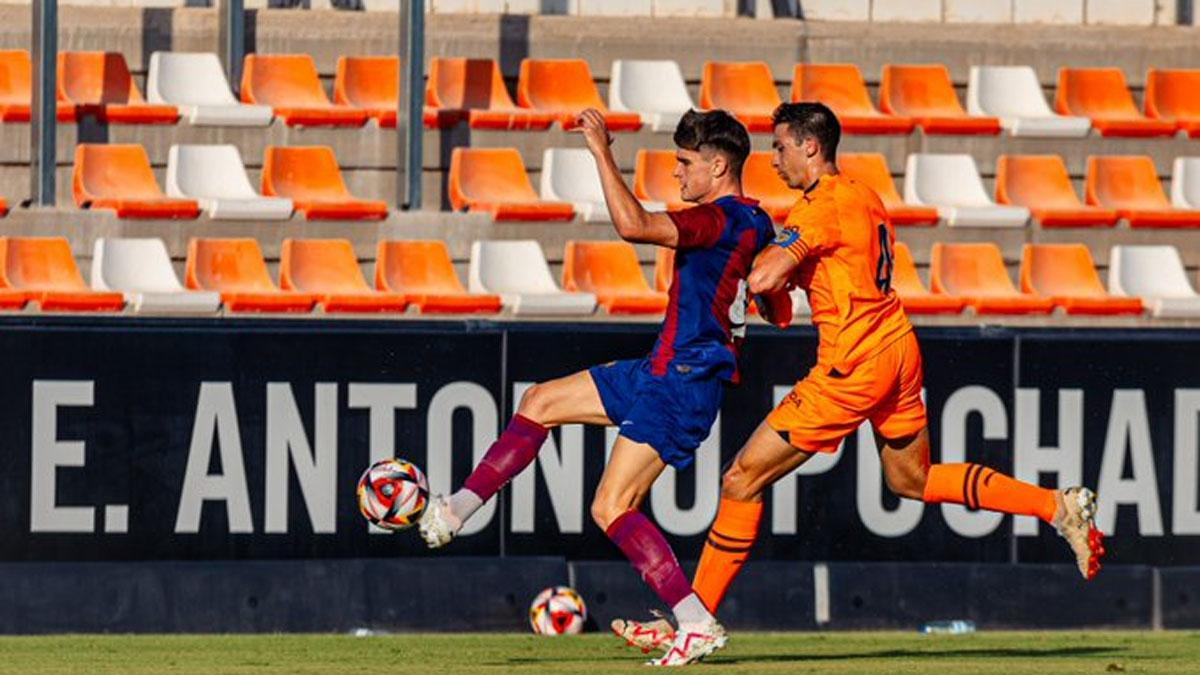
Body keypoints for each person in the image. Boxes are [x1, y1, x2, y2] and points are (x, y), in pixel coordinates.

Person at [613, 102, 1106, 654]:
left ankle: (694, 622)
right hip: (898, 345)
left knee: (740, 479)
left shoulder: (818, 207)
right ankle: (1055, 506)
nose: (773, 160)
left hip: (854, 364)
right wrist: (781, 279)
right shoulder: (864, 195)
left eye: (780, 147)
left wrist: (758, 266)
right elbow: (799, 290)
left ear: (810, 147)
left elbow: (769, 276)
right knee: (911, 479)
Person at [418, 107, 785, 666]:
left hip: (682, 381)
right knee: (539, 401)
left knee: (612, 506)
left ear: (718, 165)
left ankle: (695, 621)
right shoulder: (753, 221)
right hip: (659, 369)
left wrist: (600, 152)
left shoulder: (717, 220)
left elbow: (634, 225)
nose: (676, 173)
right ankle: (453, 513)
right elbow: (768, 292)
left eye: (685, 163)